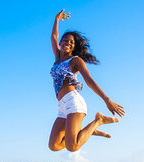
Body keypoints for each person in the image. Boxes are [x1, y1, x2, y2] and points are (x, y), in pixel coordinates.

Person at [48, 9, 125, 152]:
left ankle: (98, 121)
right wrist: (56, 20)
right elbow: (53, 37)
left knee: (73, 147)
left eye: (71, 42)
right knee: (54, 145)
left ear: (74, 46)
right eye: (65, 40)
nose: (67, 43)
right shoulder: (57, 58)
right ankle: (85, 132)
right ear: (61, 42)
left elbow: (89, 81)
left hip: (73, 102)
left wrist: (106, 99)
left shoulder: (75, 60)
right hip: (62, 106)